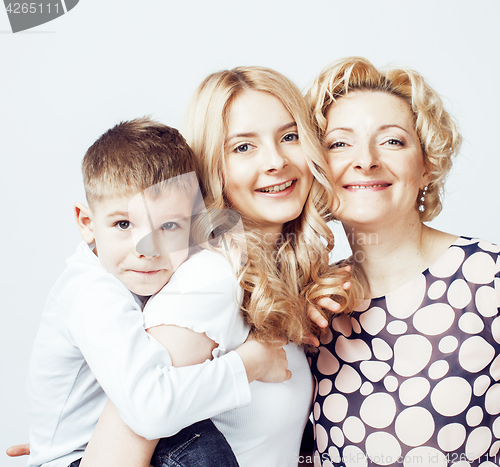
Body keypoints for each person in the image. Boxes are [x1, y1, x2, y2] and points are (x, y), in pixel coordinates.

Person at [77, 66, 356, 467]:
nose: (275, 160)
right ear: (213, 167)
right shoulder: (211, 278)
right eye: (243, 147)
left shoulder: (264, 276)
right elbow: (114, 455)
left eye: (289, 136)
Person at [24, 118, 290, 467]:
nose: (146, 248)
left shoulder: (140, 274)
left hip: (102, 446)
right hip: (77, 459)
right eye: (122, 224)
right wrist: (253, 363)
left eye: (168, 226)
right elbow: (151, 412)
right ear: (87, 223)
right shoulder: (93, 294)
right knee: (193, 434)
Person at [307, 57, 500, 466]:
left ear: (427, 163)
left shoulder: (489, 278)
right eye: (340, 143)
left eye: (392, 141)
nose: (366, 160)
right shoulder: (313, 303)